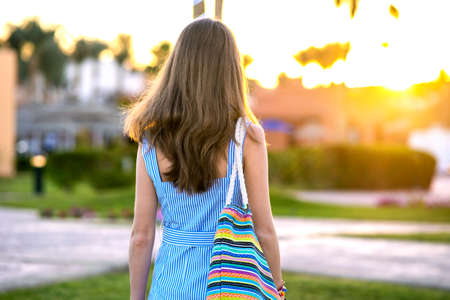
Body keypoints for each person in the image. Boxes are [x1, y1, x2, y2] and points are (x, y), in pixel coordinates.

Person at [123, 17, 285, 300]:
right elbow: (264, 229)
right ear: (230, 70)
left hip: (169, 287)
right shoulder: (247, 137)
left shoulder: (150, 140)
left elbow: (141, 236)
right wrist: (278, 287)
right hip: (231, 287)